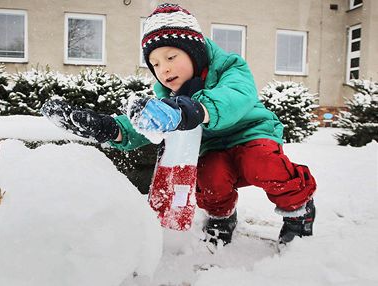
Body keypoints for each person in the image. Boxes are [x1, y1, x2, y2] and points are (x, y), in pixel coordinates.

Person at [41, 3, 316, 246]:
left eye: (171, 58)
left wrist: (191, 110)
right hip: (212, 146)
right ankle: (222, 217)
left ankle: (298, 211)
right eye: (155, 64)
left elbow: (236, 96)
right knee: (211, 178)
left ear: (194, 54)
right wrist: (107, 127)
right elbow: (142, 128)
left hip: (252, 133)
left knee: (262, 164)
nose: (164, 69)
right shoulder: (168, 98)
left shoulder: (229, 67)